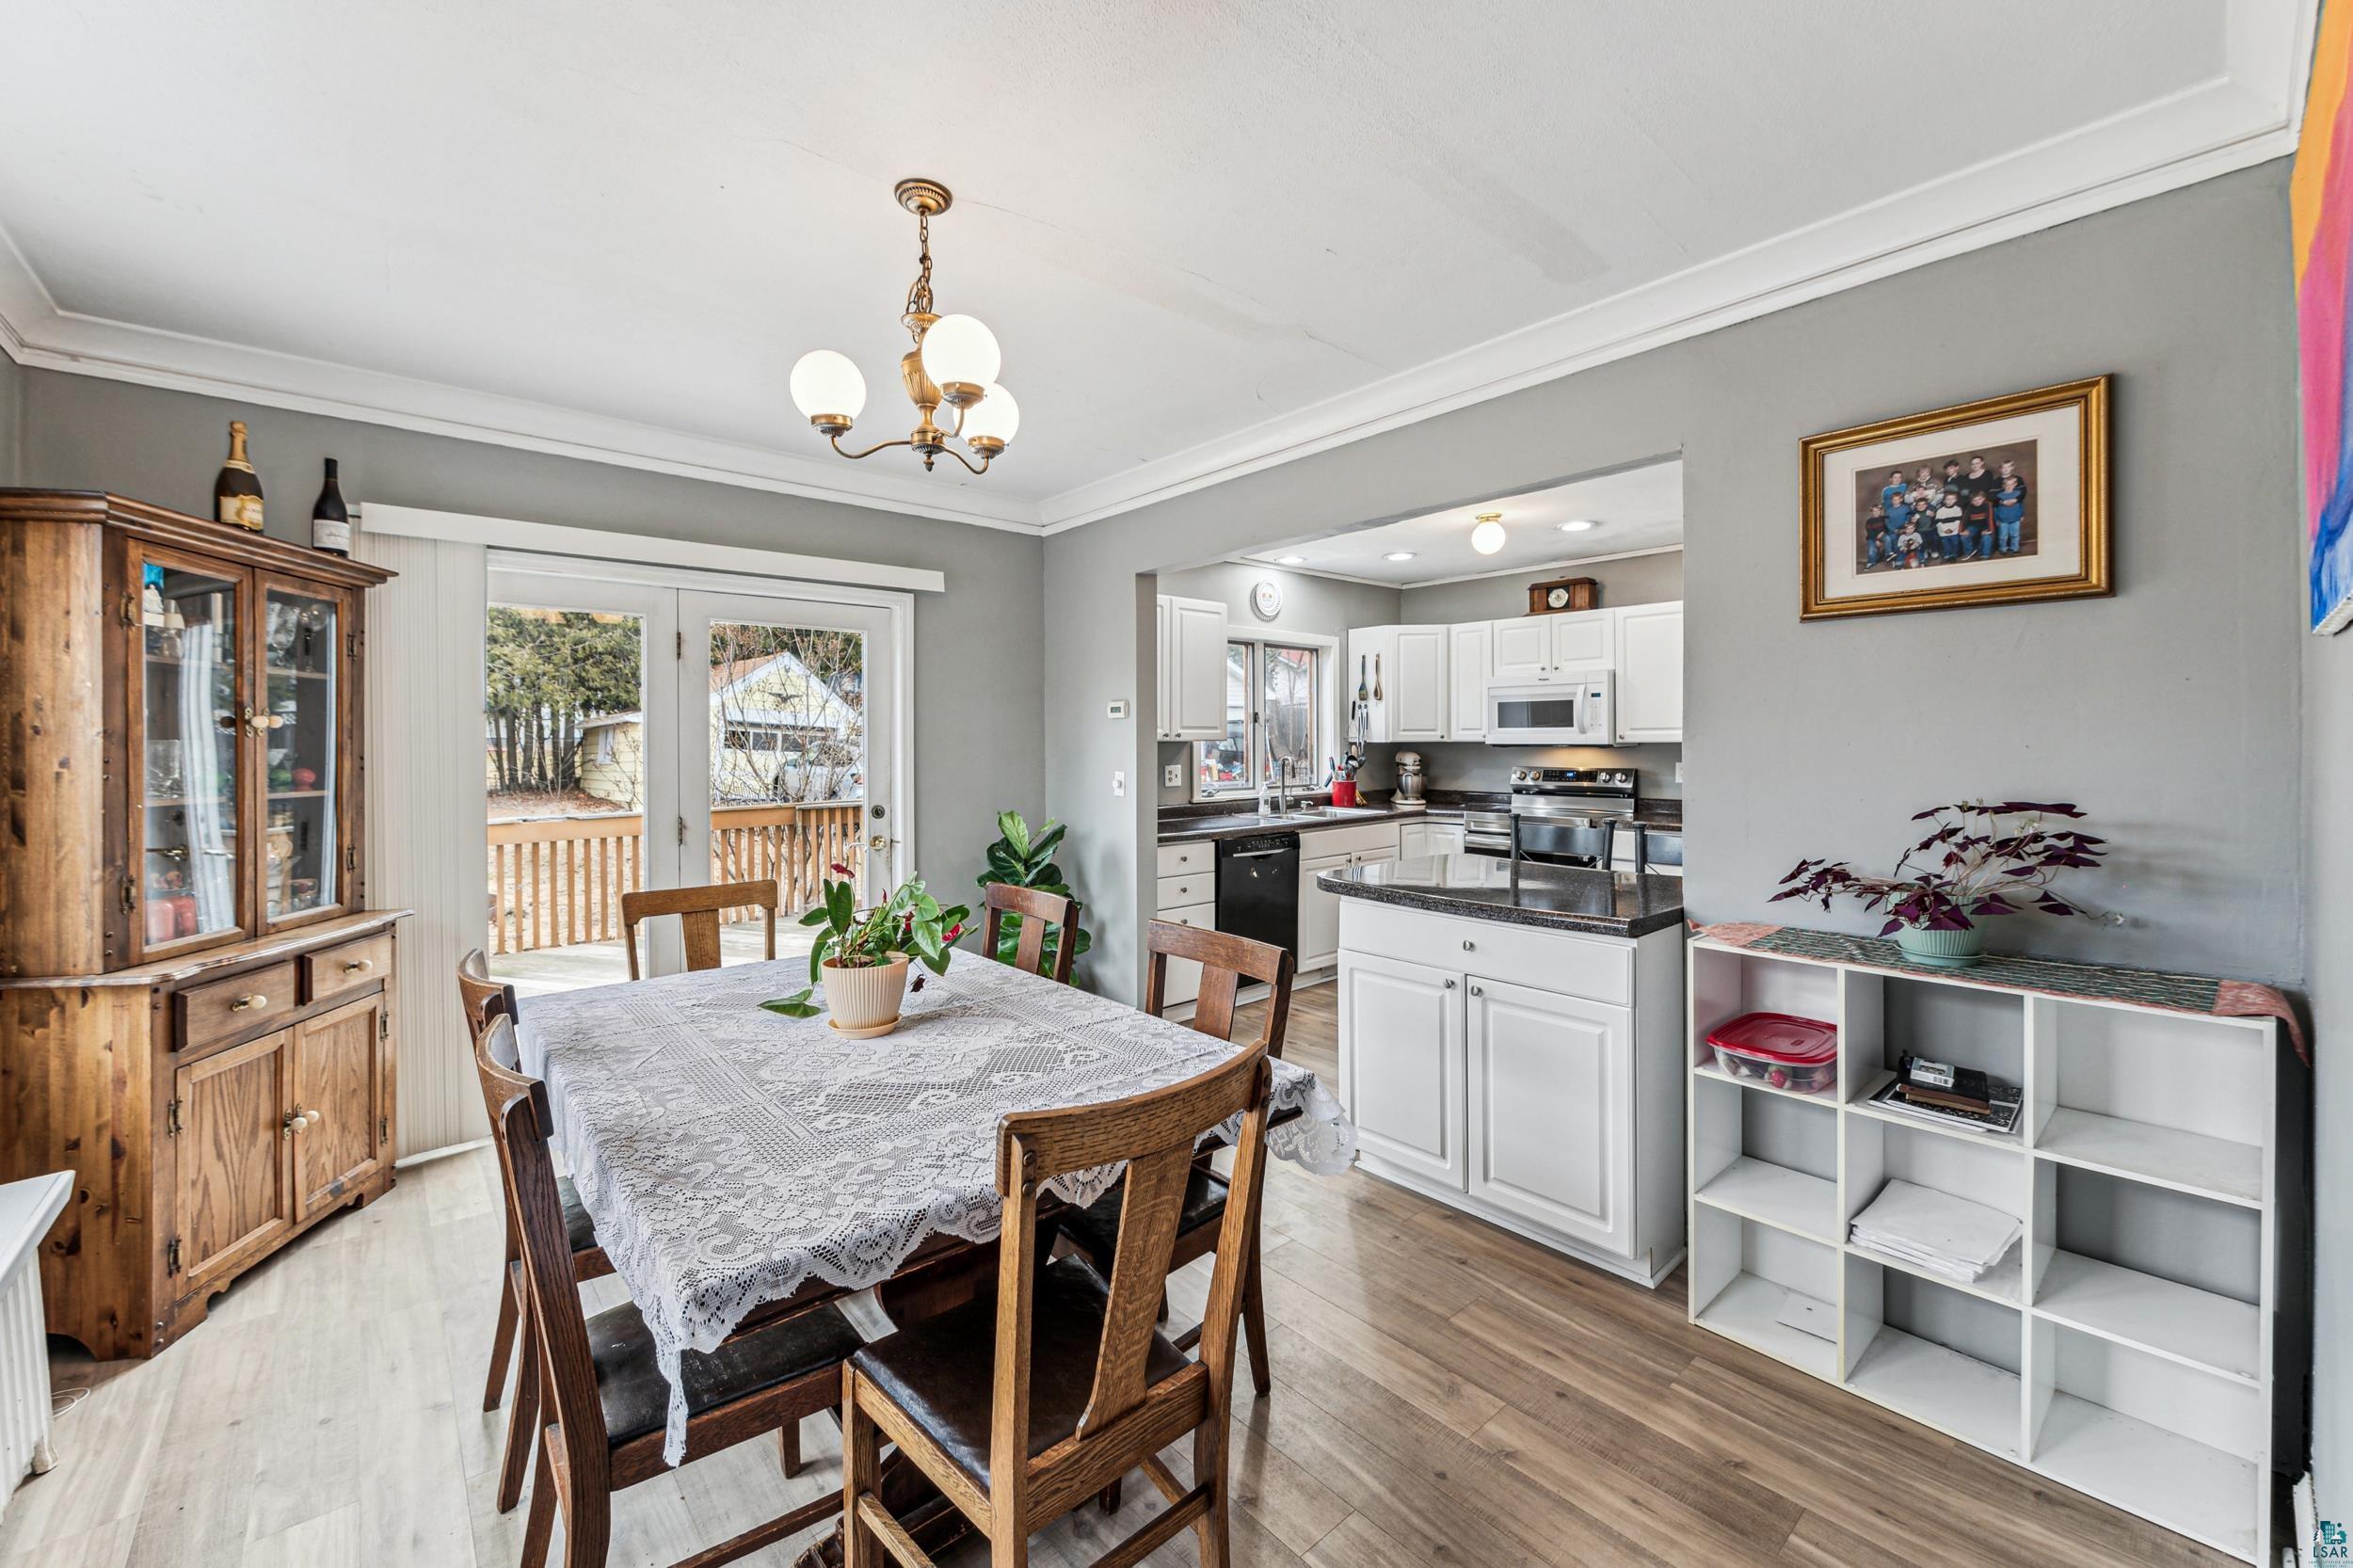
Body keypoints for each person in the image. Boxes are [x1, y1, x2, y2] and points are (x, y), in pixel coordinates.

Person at [1994, 473, 2027, 554]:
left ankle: (2015, 548)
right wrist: (1996, 519)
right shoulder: (1999, 496)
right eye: (2007, 485)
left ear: (2015, 485)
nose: (2009, 486)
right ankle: (2003, 548)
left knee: (2015, 535)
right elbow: (1995, 509)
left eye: (2011, 484)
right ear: (2003, 485)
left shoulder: (2018, 494)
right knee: (2003, 536)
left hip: (2015, 518)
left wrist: (2022, 515)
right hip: (2003, 520)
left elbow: (2021, 505)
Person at [1962, 488, 1994, 560]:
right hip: (1974, 526)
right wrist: (1963, 530)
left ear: (1984, 498)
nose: (1977, 502)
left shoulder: (1988, 505)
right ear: (1971, 502)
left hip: (1986, 526)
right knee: (1964, 536)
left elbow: (1990, 518)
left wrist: (1989, 530)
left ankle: (1986, 554)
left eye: (1979, 499)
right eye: (1974, 500)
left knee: (1986, 536)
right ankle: (1969, 552)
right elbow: (1965, 519)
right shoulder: (1969, 507)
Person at [1934, 491, 1966, 561]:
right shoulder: (1940, 511)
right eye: (1948, 499)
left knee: (1955, 543)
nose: (1950, 501)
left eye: (1952, 499)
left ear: (1955, 500)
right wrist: (1945, 530)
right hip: (1943, 532)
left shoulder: (1957, 509)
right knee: (1945, 545)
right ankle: (1947, 555)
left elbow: (1958, 521)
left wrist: (1952, 529)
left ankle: (1954, 555)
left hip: (1954, 531)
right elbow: (1938, 523)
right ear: (1944, 501)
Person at [1864, 503, 1891, 567]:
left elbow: (1886, 528)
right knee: (1872, 551)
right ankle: (1871, 562)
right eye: (1874, 511)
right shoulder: (1869, 521)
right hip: (1872, 537)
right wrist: (1876, 540)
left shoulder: (1882, 518)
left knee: (1888, 538)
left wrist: (1882, 532)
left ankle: (1888, 554)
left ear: (1880, 511)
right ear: (1872, 512)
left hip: (1881, 535)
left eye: (1878, 511)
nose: (1876, 512)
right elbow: (1870, 533)